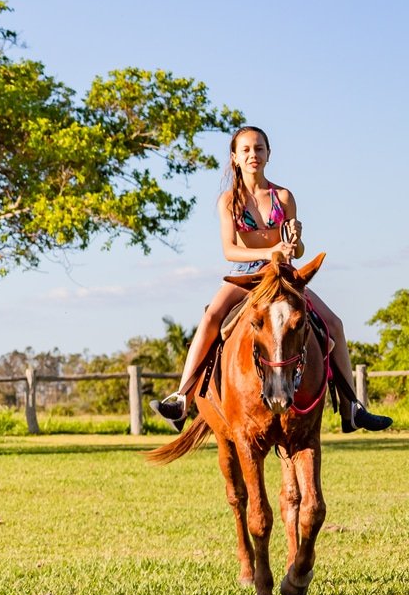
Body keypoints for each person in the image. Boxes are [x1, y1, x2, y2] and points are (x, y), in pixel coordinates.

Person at [150, 125, 391, 434]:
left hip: (282, 274)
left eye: (259, 148)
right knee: (211, 317)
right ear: (235, 157)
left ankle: (352, 408)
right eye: (247, 149)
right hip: (247, 274)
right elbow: (229, 250)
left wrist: (295, 243)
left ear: (269, 154)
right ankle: (181, 398)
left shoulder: (284, 196)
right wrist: (270, 249)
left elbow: (296, 250)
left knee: (334, 325)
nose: (254, 154)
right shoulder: (230, 200)